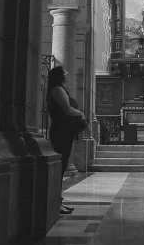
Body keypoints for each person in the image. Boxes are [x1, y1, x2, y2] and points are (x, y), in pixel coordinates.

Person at [46, 66, 86, 215]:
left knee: (61, 168)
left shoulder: (59, 89)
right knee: (60, 168)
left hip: (63, 131)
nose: (68, 74)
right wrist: (81, 115)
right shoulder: (57, 89)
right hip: (61, 131)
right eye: (65, 72)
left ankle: (58, 202)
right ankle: (56, 203)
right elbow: (67, 109)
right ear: (59, 76)